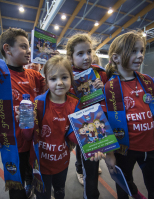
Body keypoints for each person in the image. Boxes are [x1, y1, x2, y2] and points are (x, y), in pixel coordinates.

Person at [0, 27, 46, 199]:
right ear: (7, 49)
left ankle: (31, 185)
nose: (28, 51)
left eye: (28, 47)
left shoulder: (35, 75)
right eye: (23, 46)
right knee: (17, 186)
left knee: (39, 176)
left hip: (36, 141)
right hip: (14, 146)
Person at [104, 31, 154, 199]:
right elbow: (104, 125)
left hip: (152, 146)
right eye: (133, 51)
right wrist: (109, 154)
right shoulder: (108, 87)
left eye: (141, 50)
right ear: (116, 58)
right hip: (124, 150)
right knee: (124, 185)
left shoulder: (147, 81)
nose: (140, 55)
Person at [23, 55, 79, 199]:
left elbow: (75, 136)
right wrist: (25, 122)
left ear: (71, 78)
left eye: (64, 77)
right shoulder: (38, 103)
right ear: (46, 81)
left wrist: (94, 145)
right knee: (42, 195)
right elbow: (28, 135)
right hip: (41, 164)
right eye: (53, 79)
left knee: (60, 191)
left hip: (62, 161)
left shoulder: (75, 104)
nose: (59, 83)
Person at [65, 33, 112, 199]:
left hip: (97, 126)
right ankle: (80, 170)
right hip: (78, 126)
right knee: (87, 169)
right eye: (80, 53)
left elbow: (111, 99)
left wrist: (103, 87)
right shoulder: (67, 75)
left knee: (92, 169)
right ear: (70, 57)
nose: (86, 57)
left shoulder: (100, 73)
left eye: (89, 52)